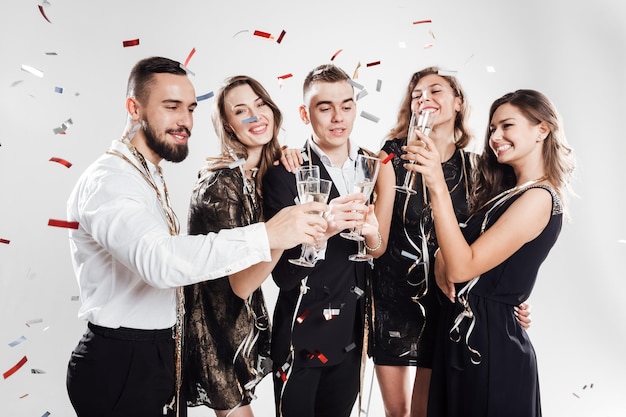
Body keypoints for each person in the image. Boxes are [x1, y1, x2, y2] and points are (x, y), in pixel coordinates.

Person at [65, 56, 328, 417]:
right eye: (171, 107)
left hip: (159, 352)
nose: (185, 121)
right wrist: (268, 235)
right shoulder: (111, 181)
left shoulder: (146, 174)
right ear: (134, 108)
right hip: (122, 360)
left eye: (189, 108)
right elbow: (160, 262)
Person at [369, 67, 532, 417]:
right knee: (397, 414)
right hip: (393, 301)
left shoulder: (479, 168)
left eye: (436, 90)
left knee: (426, 412)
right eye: (416, 94)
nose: (424, 98)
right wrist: (365, 231)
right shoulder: (390, 157)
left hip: (448, 306)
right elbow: (378, 243)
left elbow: (499, 241)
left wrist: (513, 299)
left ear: (458, 102)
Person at [410, 89, 575, 416]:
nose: (495, 137)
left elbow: (460, 269)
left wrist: (436, 183)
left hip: (488, 349)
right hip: (463, 338)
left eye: (507, 126)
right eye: (492, 129)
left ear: (542, 129)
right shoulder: (509, 195)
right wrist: (450, 257)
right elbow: (452, 261)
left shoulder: (540, 198)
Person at [262, 63, 387, 417]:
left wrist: (373, 233)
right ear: (305, 113)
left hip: (352, 334)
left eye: (346, 105)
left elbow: (377, 250)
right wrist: (324, 230)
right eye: (325, 107)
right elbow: (283, 276)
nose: (338, 117)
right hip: (300, 335)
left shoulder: (371, 166)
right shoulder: (285, 172)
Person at [182, 75, 287, 417]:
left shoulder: (259, 176)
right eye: (241, 111)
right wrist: (287, 235)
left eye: (260, 105)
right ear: (227, 126)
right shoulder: (222, 184)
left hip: (239, 326)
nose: (256, 116)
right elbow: (235, 285)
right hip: (213, 328)